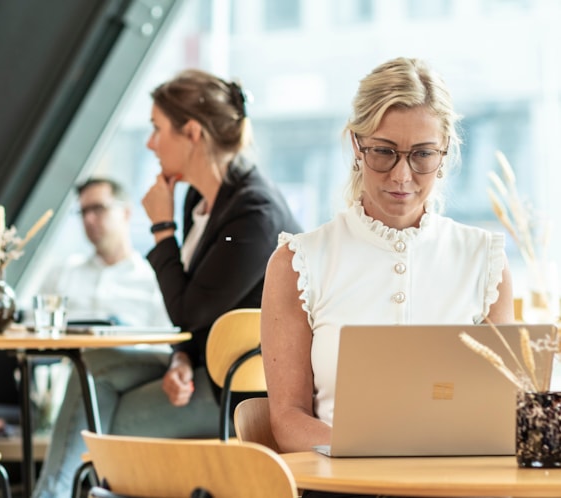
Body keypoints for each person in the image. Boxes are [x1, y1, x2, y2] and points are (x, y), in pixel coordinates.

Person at [33, 68, 301, 498]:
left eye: (157, 129)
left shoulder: (255, 213)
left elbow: (189, 309)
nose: (150, 143)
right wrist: (179, 357)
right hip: (203, 368)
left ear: (192, 132)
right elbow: (203, 309)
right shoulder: (202, 197)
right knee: (92, 370)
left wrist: (161, 227)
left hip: (239, 392)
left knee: (96, 425)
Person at [260, 57, 514, 497]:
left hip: (458, 486)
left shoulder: (484, 259)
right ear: (356, 146)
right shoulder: (298, 261)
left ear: (445, 151)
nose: (402, 176)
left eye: (422, 155)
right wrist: (375, 458)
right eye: (383, 151)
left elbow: (506, 410)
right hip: (343, 486)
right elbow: (287, 419)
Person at [39, 177, 171, 326]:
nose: (88, 219)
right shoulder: (60, 275)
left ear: (126, 213)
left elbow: (164, 344)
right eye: (83, 212)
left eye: (98, 208)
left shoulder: (153, 280)